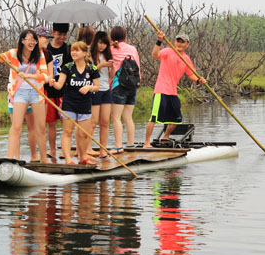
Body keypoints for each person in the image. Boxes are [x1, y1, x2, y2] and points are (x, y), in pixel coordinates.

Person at [0, 30, 49, 163]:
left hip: (36, 93)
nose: (32, 42)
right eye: (29, 39)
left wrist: (29, 76)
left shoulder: (39, 55)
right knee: (16, 127)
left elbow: (45, 76)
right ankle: (10, 159)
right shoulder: (13, 53)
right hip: (20, 94)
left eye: (34, 40)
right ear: (22, 40)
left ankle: (44, 160)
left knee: (40, 127)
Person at [143, 31, 206, 148]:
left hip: (173, 92)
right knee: (154, 117)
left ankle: (165, 137)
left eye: (183, 42)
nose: (180, 44)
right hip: (161, 90)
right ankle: (146, 142)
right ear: (174, 42)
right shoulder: (168, 51)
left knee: (177, 119)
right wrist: (159, 40)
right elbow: (154, 55)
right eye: (178, 41)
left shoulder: (186, 59)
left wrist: (199, 80)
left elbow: (191, 75)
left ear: (188, 44)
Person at [49, 41, 100, 165]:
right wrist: (53, 83)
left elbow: (97, 86)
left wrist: (89, 87)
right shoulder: (68, 67)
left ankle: (83, 157)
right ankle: (68, 159)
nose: (74, 53)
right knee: (67, 132)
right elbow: (59, 85)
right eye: (72, 50)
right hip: (69, 104)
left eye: (77, 50)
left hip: (85, 105)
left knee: (83, 134)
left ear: (84, 53)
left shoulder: (91, 68)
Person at [109, 26, 141, 154]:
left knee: (116, 118)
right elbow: (138, 67)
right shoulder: (132, 49)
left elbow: (110, 69)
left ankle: (118, 147)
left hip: (119, 86)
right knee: (128, 117)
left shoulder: (111, 49)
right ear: (124, 36)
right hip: (132, 85)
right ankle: (130, 144)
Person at [44, 23, 72, 161]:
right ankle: (53, 150)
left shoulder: (68, 49)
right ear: (53, 32)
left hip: (64, 91)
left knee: (67, 122)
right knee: (51, 122)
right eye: (59, 34)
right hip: (48, 91)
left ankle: (66, 150)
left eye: (64, 35)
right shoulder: (46, 49)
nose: (62, 37)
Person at [26, 26, 55, 160]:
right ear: (37, 39)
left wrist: (49, 79)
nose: (48, 41)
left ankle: (43, 157)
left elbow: (49, 74)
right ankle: (33, 156)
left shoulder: (47, 54)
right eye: (45, 38)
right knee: (31, 126)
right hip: (25, 91)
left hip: (40, 92)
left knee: (41, 126)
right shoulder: (26, 53)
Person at [86, 31, 114, 158]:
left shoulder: (107, 55)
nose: (102, 46)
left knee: (105, 122)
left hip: (106, 90)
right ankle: (88, 148)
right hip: (94, 90)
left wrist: (111, 67)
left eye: (104, 43)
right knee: (93, 121)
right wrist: (101, 65)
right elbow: (88, 73)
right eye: (100, 43)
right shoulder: (90, 56)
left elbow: (111, 76)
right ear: (95, 42)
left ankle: (103, 150)